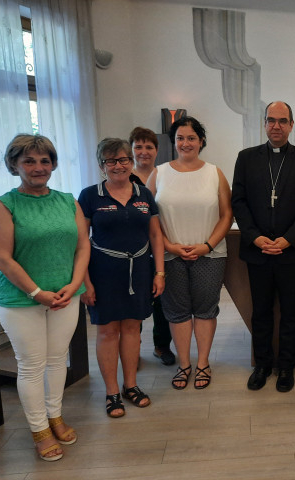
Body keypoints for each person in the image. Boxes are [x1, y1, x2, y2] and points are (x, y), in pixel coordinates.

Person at [0, 134, 90, 461]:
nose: (38, 167)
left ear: (53, 165)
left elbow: (83, 246)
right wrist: (36, 293)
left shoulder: (68, 201)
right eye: (29, 161)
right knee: (32, 366)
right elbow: (3, 258)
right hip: (22, 300)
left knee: (57, 359)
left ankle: (54, 416)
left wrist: (75, 285)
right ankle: (39, 429)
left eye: (45, 161)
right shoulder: (4, 205)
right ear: (14, 164)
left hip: (65, 296)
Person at [232, 101, 295, 392]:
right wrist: (255, 237)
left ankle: (286, 367)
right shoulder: (246, 158)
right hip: (257, 250)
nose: (276, 126)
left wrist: (289, 238)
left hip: (290, 251)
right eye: (271, 120)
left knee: (291, 313)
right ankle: (262, 365)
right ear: (264, 124)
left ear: (292, 125)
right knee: (261, 312)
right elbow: (238, 202)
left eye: (282, 121)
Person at [79, 138, 165, 418]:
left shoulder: (144, 194)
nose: (118, 165)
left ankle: (131, 385)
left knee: (132, 328)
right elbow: (81, 241)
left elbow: (156, 236)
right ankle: (111, 391)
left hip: (139, 270)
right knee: (107, 331)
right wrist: (85, 282)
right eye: (111, 161)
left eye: (124, 159)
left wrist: (159, 272)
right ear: (101, 165)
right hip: (102, 272)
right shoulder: (89, 196)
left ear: (131, 161)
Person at [147, 117, 232, 391]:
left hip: (210, 254)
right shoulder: (158, 173)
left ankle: (203, 363)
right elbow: (149, 217)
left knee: (205, 311)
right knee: (177, 312)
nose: (186, 143)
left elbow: (227, 215)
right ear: (173, 142)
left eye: (191, 138)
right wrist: (169, 246)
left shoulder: (215, 173)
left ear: (201, 141)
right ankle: (184, 364)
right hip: (170, 255)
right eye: (180, 138)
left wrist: (207, 245)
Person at [128, 127, 176, 366]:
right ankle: (132, 350)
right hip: (133, 248)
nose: (143, 151)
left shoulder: (166, 175)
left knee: (162, 300)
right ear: (131, 150)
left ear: (157, 150)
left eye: (149, 147)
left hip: (162, 246)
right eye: (138, 146)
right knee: (134, 302)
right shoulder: (123, 177)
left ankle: (161, 346)